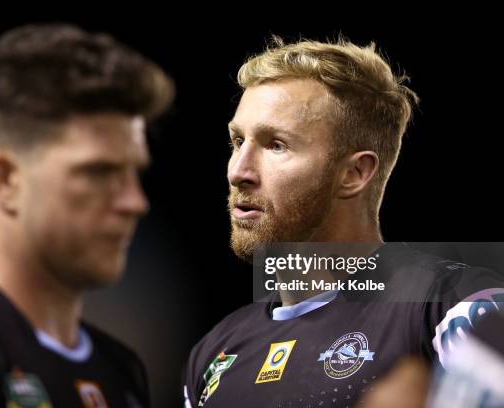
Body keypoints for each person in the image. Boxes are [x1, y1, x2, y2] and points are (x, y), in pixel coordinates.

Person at [183, 37, 503, 407]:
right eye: (237, 141)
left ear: (354, 173)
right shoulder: (212, 354)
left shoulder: (456, 306)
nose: (239, 171)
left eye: (276, 145)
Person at [0, 23, 174, 407]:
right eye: (98, 172)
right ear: (4, 181)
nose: (135, 201)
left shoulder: (120, 372)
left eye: (134, 173)